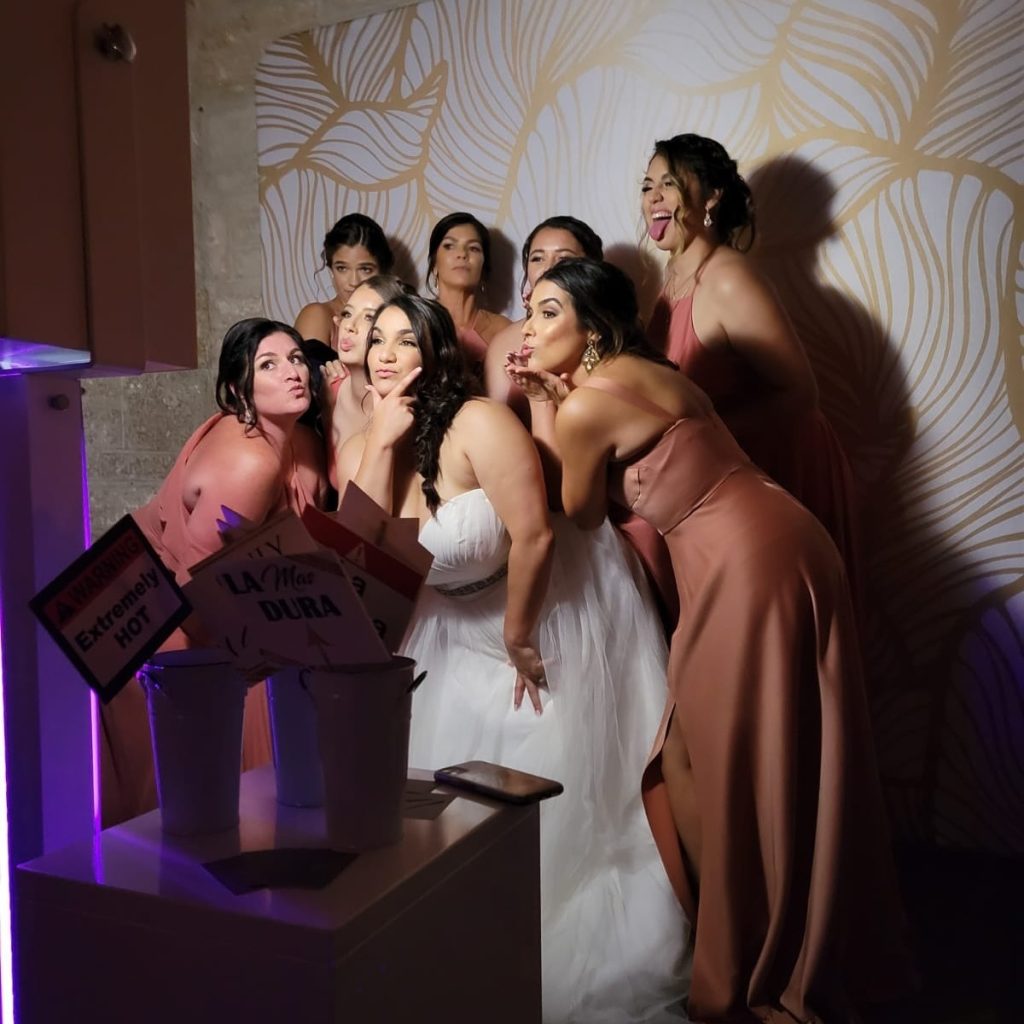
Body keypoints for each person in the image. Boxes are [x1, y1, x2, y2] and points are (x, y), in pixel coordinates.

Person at [509, 258, 912, 1024]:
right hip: (775, 535)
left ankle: (754, 962)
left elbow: (582, 515)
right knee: (690, 756)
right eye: (529, 311)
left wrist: (541, 407)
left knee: (732, 758)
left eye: (548, 311)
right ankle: (737, 936)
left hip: (743, 562)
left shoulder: (588, 404)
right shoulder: (644, 374)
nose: (529, 327)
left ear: (592, 328)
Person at [337, 295, 689, 1023]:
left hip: (533, 604)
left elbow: (535, 534)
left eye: (405, 339)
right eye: (376, 339)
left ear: (435, 351)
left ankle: (538, 931)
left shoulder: (479, 422)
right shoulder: (359, 446)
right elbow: (354, 559)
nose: (386, 352)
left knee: (537, 765)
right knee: (430, 794)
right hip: (444, 624)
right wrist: (379, 443)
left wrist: (520, 638)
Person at [100, 319, 328, 826]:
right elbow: (195, 594)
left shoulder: (291, 439)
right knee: (187, 803)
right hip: (172, 626)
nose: (292, 372)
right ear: (237, 389)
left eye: (295, 358)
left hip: (194, 609)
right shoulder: (251, 462)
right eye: (268, 365)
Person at [642, 133, 862, 609]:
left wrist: (702, 440)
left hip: (777, 469)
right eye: (647, 185)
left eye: (670, 183)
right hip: (722, 472)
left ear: (712, 198)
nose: (654, 197)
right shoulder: (670, 281)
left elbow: (800, 394)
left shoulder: (728, 279)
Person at [319, 274, 412, 491]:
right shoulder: (329, 389)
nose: (350, 326)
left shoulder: (405, 407)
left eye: (369, 317)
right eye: (347, 313)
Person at [426, 212, 510, 376]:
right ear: (434, 265)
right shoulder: (415, 322)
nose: (462, 254)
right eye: (449, 246)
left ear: (484, 268)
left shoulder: (504, 330)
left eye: (473, 248)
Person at [294, 213, 394, 346]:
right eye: (342, 268)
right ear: (331, 270)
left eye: (365, 269)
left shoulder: (397, 319)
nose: (354, 282)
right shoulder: (318, 316)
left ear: (383, 271)